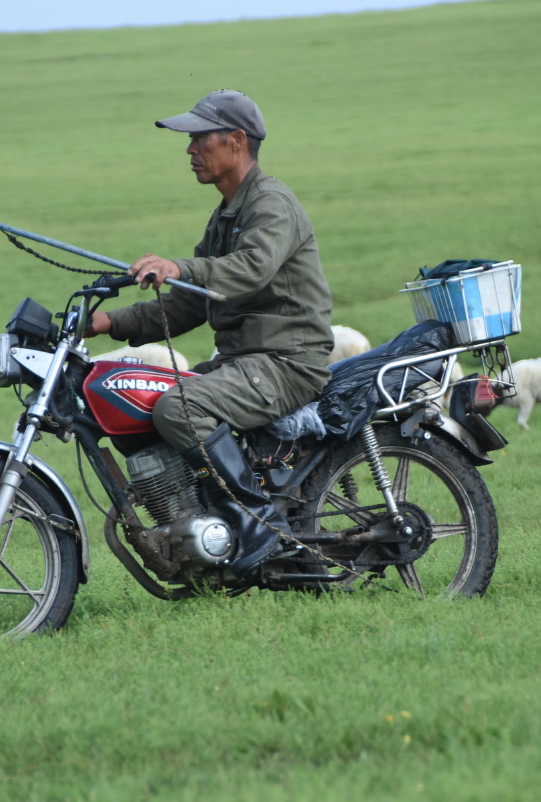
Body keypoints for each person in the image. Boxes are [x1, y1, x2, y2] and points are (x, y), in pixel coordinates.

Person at [87, 89, 334, 576]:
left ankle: (258, 527)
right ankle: (198, 535)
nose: (189, 149)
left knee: (180, 406)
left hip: (287, 361)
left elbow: (251, 269)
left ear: (237, 141)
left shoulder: (271, 204)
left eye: (200, 138)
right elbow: (187, 305)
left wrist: (177, 265)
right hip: (246, 361)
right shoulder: (226, 215)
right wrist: (109, 323)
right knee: (143, 397)